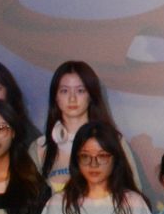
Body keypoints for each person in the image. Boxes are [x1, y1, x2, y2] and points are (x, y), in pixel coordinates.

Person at [31, 60, 128, 193]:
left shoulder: (114, 141)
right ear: (55, 97)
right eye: (64, 91)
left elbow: (130, 195)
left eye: (80, 90)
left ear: (91, 95)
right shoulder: (40, 148)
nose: (72, 98)